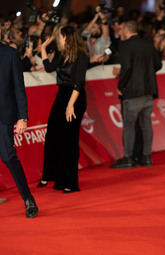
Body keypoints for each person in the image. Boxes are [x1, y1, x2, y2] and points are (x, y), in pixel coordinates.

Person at [37, 26, 88, 193]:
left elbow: (79, 82)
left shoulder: (81, 55)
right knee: (52, 135)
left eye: (61, 37)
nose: (59, 40)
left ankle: (71, 182)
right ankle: (57, 178)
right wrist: (43, 48)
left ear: (67, 37)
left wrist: (70, 105)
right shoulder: (63, 55)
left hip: (75, 98)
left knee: (70, 140)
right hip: (61, 97)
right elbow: (49, 68)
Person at [109, 20, 162, 169]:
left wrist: (121, 85)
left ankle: (128, 158)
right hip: (148, 92)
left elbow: (127, 67)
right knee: (146, 125)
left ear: (125, 30)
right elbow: (158, 65)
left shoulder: (125, 45)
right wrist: (145, 73)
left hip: (132, 92)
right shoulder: (148, 44)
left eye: (121, 30)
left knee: (129, 126)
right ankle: (146, 157)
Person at [0, 30, 38, 218]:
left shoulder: (10, 54)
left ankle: (28, 198)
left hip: (3, 115)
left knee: (8, 157)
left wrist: (22, 117)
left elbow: (18, 87)